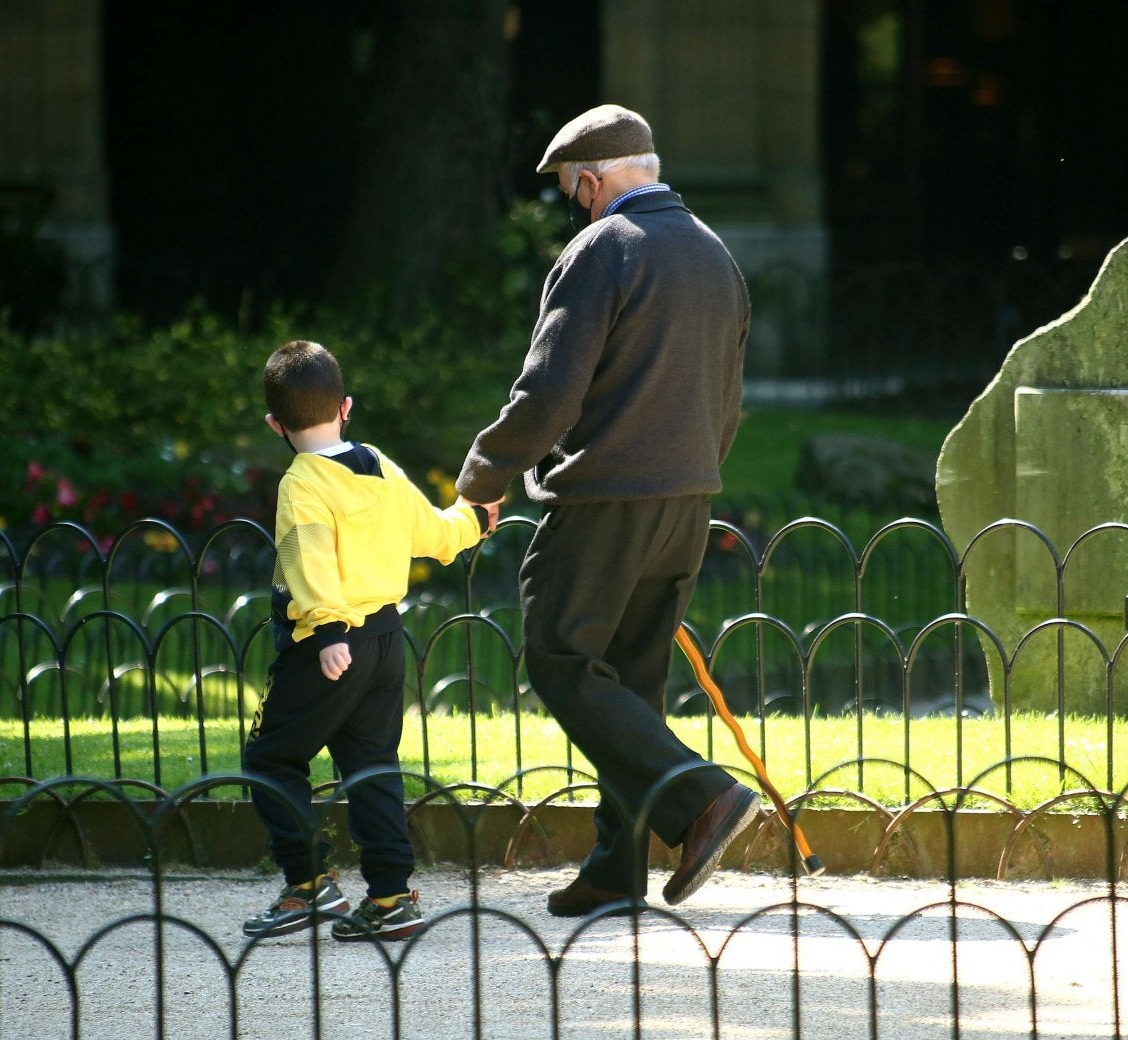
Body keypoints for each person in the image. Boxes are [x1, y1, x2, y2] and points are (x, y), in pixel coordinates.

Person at [456, 104, 759, 916]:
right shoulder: (715, 253)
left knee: (560, 657)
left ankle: (700, 797)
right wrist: (692, 472)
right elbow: (728, 400)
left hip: (604, 497)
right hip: (688, 497)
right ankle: (616, 866)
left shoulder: (601, 249)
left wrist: (481, 478)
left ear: (593, 180)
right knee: (630, 679)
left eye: (570, 192)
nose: (573, 205)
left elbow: (549, 393)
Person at [242, 340, 490, 941]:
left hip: (330, 643)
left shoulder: (302, 481)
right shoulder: (378, 465)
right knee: (371, 764)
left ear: (275, 424)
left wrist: (326, 630)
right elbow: (433, 531)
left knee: (270, 758)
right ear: (346, 407)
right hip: (384, 636)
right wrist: (476, 519)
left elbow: (309, 558)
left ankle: (308, 884)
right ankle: (389, 897)